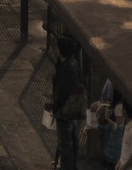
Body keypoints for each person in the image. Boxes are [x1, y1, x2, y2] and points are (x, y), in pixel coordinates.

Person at [47, 35, 84, 170]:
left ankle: (68, 167)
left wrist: (58, 109)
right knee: (71, 140)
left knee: (66, 142)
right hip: (69, 109)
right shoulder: (70, 63)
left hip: (65, 110)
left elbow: (63, 90)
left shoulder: (67, 67)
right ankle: (71, 165)